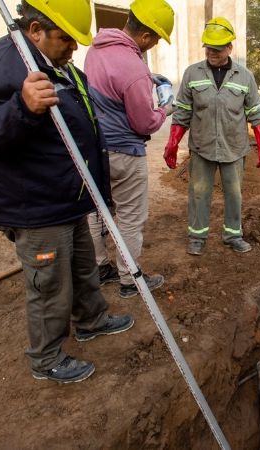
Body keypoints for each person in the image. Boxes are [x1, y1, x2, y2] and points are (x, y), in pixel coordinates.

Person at [0, 0, 133, 384]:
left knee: (83, 266)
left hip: (67, 196)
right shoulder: (2, 64)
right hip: (35, 204)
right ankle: (47, 358)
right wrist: (22, 107)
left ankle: (91, 320)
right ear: (36, 29)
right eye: (65, 39)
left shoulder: (55, 65)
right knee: (50, 285)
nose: (74, 48)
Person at [84, 0, 173, 298]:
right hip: (124, 152)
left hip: (96, 151)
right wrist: (164, 110)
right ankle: (129, 279)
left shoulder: (96, 49)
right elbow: (144, 123)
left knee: (97, 211)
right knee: (130, 217)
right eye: (157, 37)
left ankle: (100, 267)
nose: (156, 43)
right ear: (146, 36)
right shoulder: (134, 67)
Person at [163, 16, 260, 256]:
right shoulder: (192, 74)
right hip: (202, 147)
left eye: (218, 48)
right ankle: (197, 237)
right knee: (199, 193)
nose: (212, 52)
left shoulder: (245, 77)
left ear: (230, 48)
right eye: (209, 47)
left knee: (234, 194)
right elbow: (182, 112)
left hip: (234, 148)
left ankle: (233, 235)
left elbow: (256, 113)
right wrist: (172, 143)